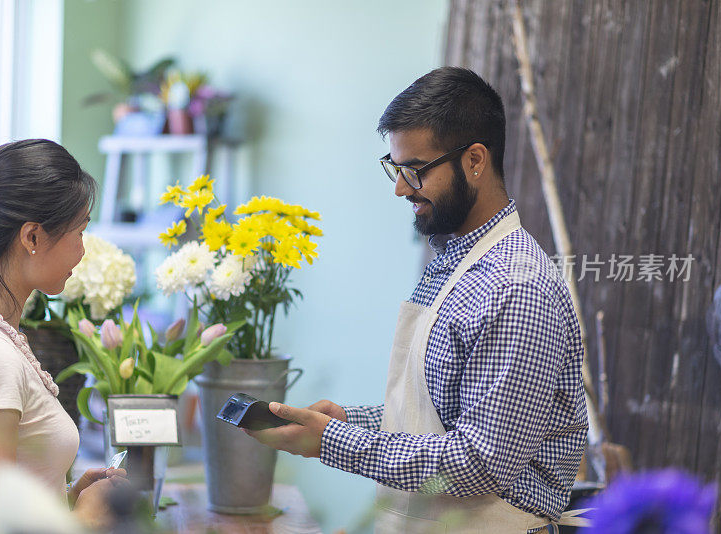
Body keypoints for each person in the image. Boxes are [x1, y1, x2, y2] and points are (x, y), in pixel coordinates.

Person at [244, 68, 589, 533]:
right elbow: (440, 418)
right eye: (395, 167)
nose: (401, 187)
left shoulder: (516, 286)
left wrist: (332, 441)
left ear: (474, 161)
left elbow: (479, 463)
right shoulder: (453, 261)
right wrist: (349, 420)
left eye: (415, 170)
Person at [0, 139, 126, 529]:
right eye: (80, 232)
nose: (82, 251)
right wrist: (88, 518)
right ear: (32, 237)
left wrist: (65, 499)